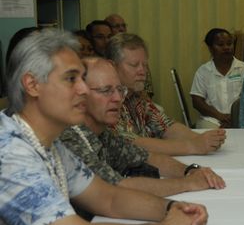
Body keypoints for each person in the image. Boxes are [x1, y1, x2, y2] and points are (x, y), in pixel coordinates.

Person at [0, 29, 208, 225]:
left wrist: (173, 209)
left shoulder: (50, 143)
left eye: (82, 78)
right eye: (71, 79)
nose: (83, 89)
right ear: (32, 85)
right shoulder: (10, 152)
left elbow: (109, 198)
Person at [60, 57, 225, 197]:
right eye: (106, 91)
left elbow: (146, 157)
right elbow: (116, 188)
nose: (118, 98)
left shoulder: (103, 133)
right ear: (80, 94)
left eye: (120, 90)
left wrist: (190, 170)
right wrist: (187, 184)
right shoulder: (70, 138)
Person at [105, 33, 227, 156]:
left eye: (145, 65)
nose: (143, 71)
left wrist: (201, 139)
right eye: (134, 65)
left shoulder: (137, 94)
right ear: (112, 66)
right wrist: (192, 146)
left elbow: (165, 126)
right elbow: (129, 143)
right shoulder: (105, 99)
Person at [190, 28, 244, 128]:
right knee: (212, 137)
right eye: (221, 45)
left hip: (241, 119)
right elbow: (197, 102)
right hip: (211, 120)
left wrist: (235, 119)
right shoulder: (203, 71)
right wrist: (220, 116)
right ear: (210, 48)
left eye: (229, 43)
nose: (226, 48)